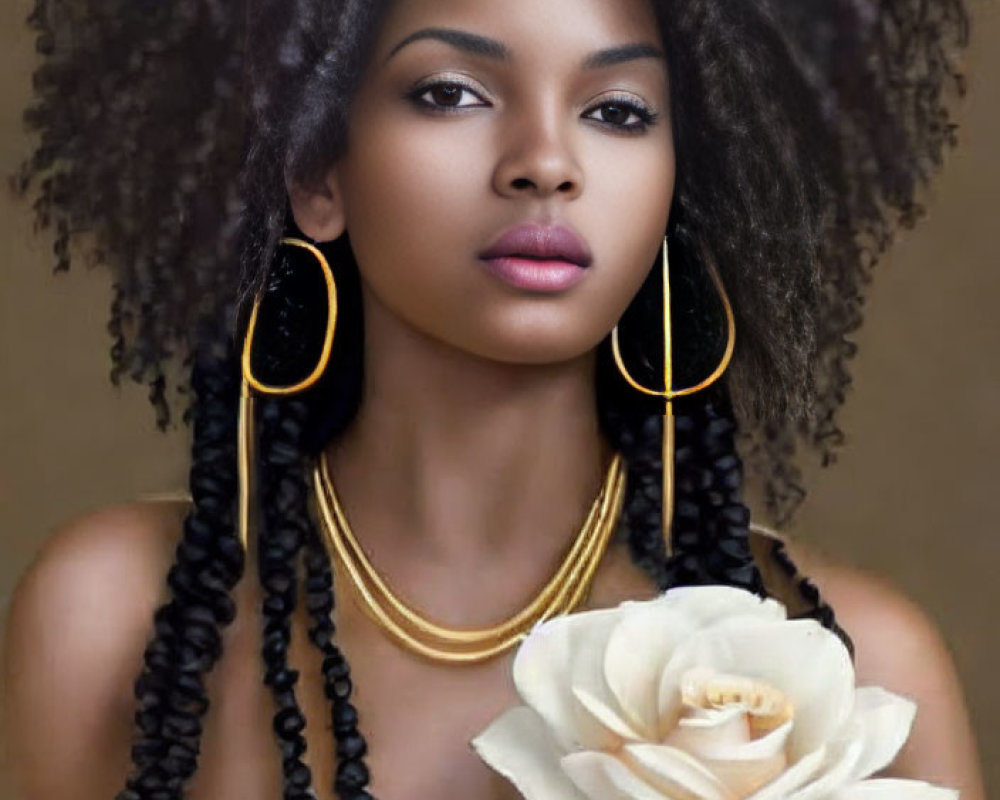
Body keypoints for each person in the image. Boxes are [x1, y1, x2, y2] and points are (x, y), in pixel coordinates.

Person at [2, 0, 986, 798]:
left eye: (618, 111)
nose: (545, 162)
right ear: (316, 173)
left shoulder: (851, 667)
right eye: (451, 92)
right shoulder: (111, 614)